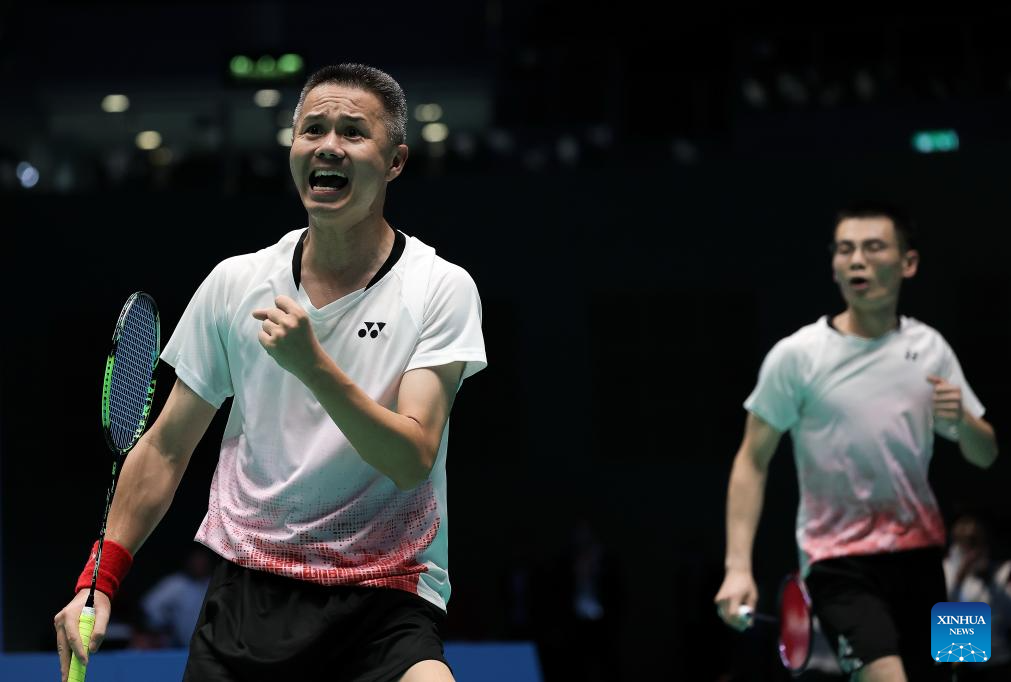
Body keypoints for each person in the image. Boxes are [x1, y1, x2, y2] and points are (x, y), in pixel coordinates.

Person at [54, 62, 487, 682]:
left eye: (353, 132)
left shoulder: (439, 288)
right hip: (248, 600)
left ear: (395, 162)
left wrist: (313, 366)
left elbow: (411, 456)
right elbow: (167, 448)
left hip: (384, 597)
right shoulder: (237, 283)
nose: (329, 145)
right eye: (312, 129)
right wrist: (98, 581)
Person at [712, 203, 998, 681]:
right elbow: (752, 460)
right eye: (845, 250)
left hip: (925, 555)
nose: (857, 260)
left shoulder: (930, 347)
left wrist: (964, 421)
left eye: (873, 247)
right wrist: (737, 567)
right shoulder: (797, 356)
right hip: (837, 561)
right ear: (834, 265)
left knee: (960, 671)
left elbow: (985, 455)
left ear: (908, 263)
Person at [943, 513, 1011, 680]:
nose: (972, 549)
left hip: (999, 660)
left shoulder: (1001, 571)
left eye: (976, 542)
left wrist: (992, 584)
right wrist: (960, 577)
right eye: (966, 542)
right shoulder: (946, 571)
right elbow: (942, 616)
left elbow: (1007, 617)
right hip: (962, 662)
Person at [138, 545, 214, 648]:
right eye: (196, 559)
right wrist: (163, 626)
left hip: (210, 645)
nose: (199, 564)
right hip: (180, 647)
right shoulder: (176, 583)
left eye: (202, 560)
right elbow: (150, 605)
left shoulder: (215, 583)